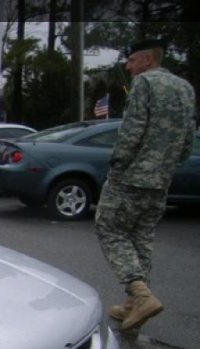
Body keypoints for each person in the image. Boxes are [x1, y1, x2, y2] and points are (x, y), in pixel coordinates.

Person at [95, 38, 196, 330]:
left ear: (148, 60)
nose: (128, 66)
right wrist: (165, 166)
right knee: (141, 238)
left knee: (109, 228)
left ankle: (140, 295)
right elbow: (188, 142)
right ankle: (132, 305)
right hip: (161, 179)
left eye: (131, 61)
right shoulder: (185, 88)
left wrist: (118, 163)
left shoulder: (145, 84)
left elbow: (132, 130)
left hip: (131, 176)